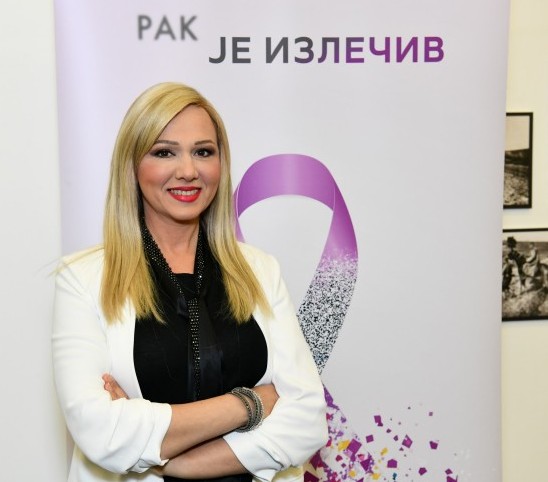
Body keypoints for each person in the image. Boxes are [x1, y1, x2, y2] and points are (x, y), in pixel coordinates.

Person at [52, 82, 328, 482]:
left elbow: (308, 421)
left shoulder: (260, 270)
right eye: (164, 152)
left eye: (203, 152)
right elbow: (101, 433)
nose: (188, 170)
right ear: (132, 166)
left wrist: (175, 462)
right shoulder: (83, 278)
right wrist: (250, 404)